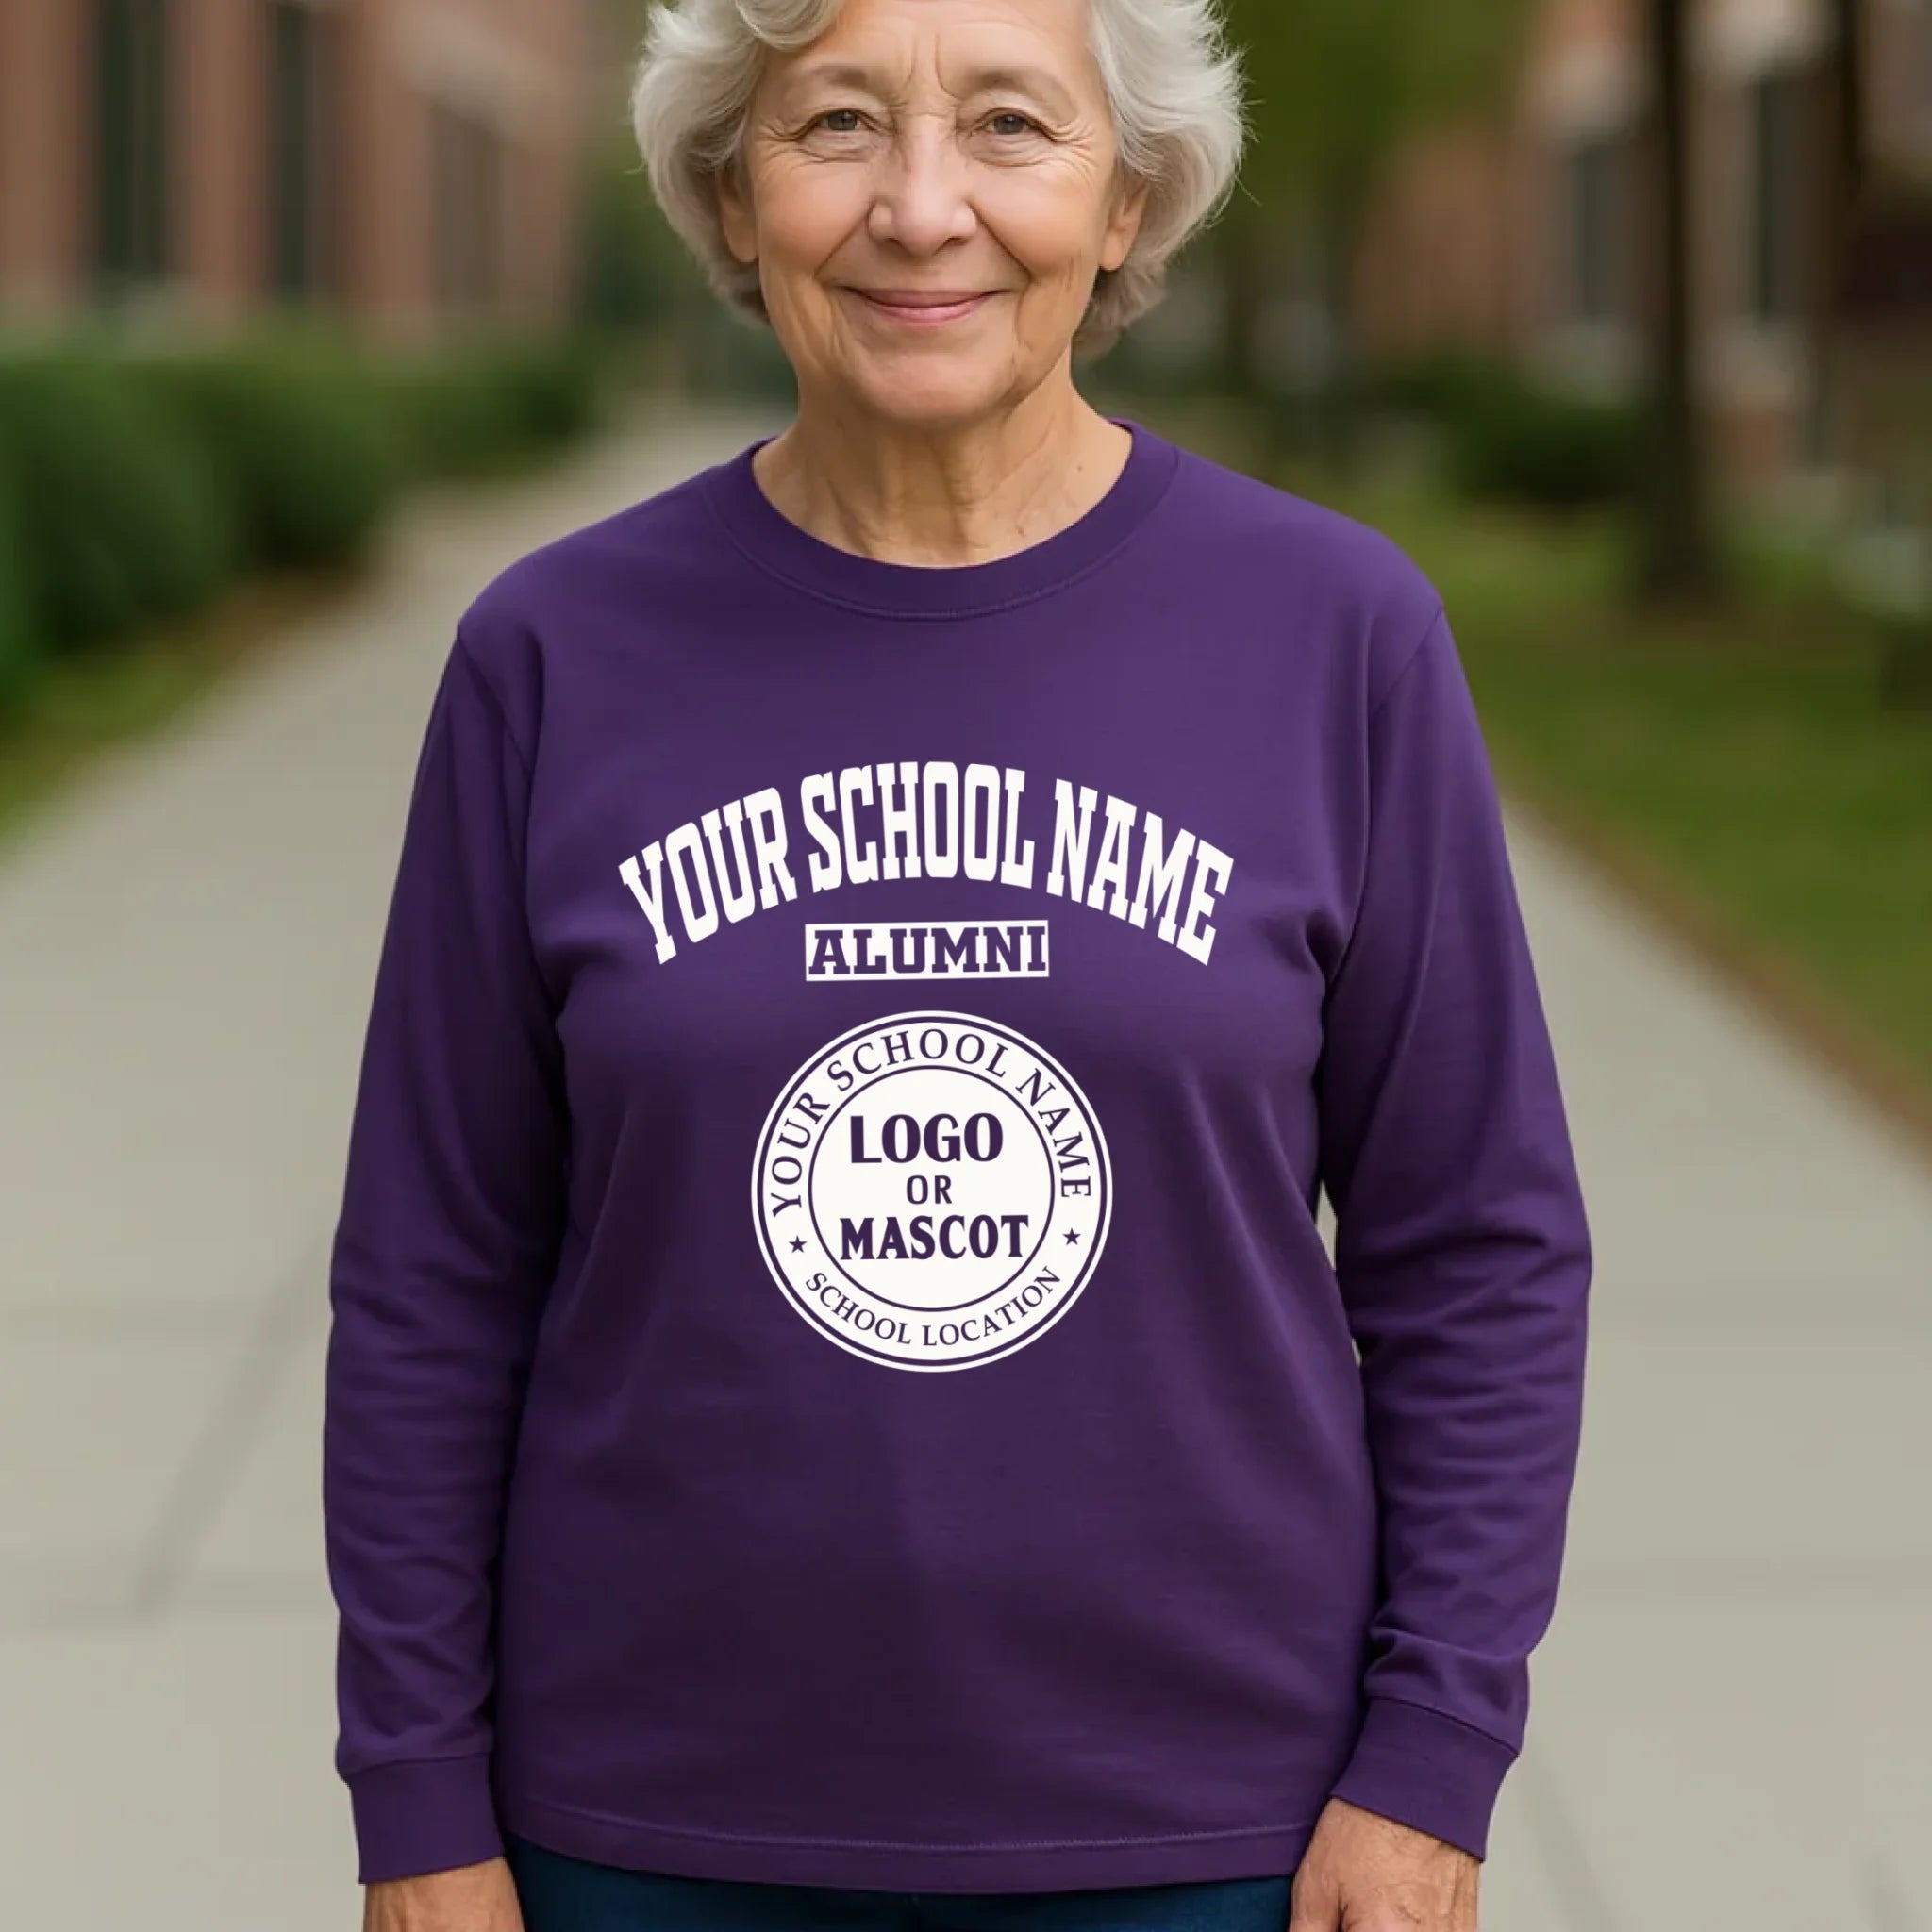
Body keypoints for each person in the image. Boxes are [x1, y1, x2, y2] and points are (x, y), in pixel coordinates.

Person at [321, 0, 1593, 1926]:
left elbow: (1477, 1248)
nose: (923, 209)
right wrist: (418, 1804)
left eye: (1009, 125)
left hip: (1214, 1832)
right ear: (735, 200)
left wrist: (1430, 1762)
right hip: (647, 1831)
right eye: (836, 124)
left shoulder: (1334, 637)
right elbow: (431, 1274)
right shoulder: (553, 657)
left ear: (1125, 194)